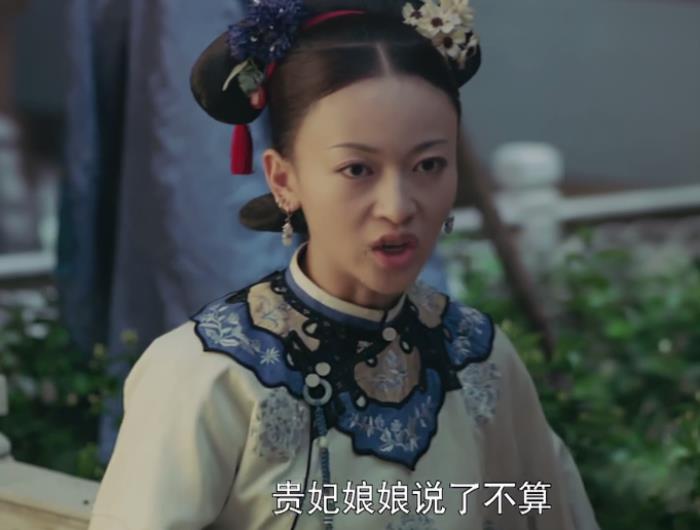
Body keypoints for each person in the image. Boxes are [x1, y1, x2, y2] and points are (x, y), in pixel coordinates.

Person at [87, 1, 599, 529]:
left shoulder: (479, 358)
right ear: (283, 179)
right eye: (357, 169)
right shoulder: (208, 376)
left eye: (428, 165)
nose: (397, 207)